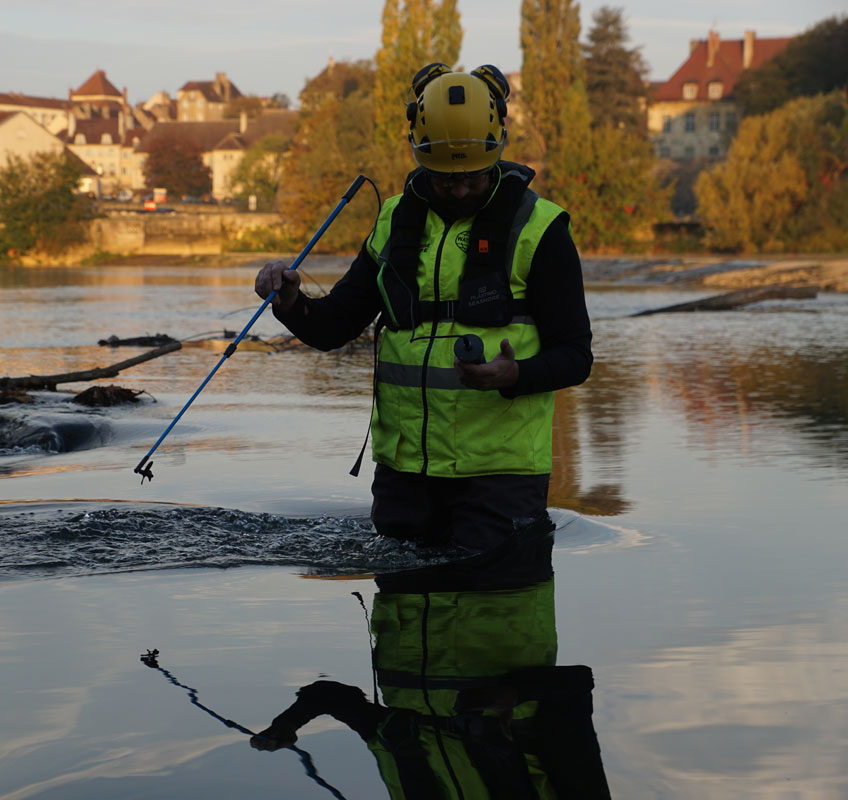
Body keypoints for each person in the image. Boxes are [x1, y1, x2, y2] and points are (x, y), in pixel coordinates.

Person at [255, 63, 592, 555]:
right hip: (404, 476)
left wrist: (513, 374)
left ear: (497, 150)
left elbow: (576, 357)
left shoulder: (541, 230)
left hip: (500, 478)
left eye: (472, 177)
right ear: (419, 153)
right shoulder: (393, 221)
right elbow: (335, 326)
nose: (458, 189)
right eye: (444, 177)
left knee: (495, 622)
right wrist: (289, 302)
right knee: (403, 624)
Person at [249, 535, 612, 799]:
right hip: (502, 586)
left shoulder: (411, 787)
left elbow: (329, 696)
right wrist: (514, 693)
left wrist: (287, 724)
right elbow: (576, 683)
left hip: (403, 596)